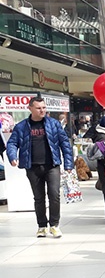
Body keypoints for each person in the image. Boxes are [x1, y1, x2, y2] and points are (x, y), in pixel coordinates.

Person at [6, 96, 73, 238]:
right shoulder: (22, 126)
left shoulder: (54, 124)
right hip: (32, 167)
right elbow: (12, 143)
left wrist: (68, 163)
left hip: (52, 165)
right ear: (30, 109)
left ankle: (54, 225)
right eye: (38, 108)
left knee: (54, 195)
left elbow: (65, 144)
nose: (42, 110)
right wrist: (13, 157)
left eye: (43, 107)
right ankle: (42, 226)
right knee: (38, 197)